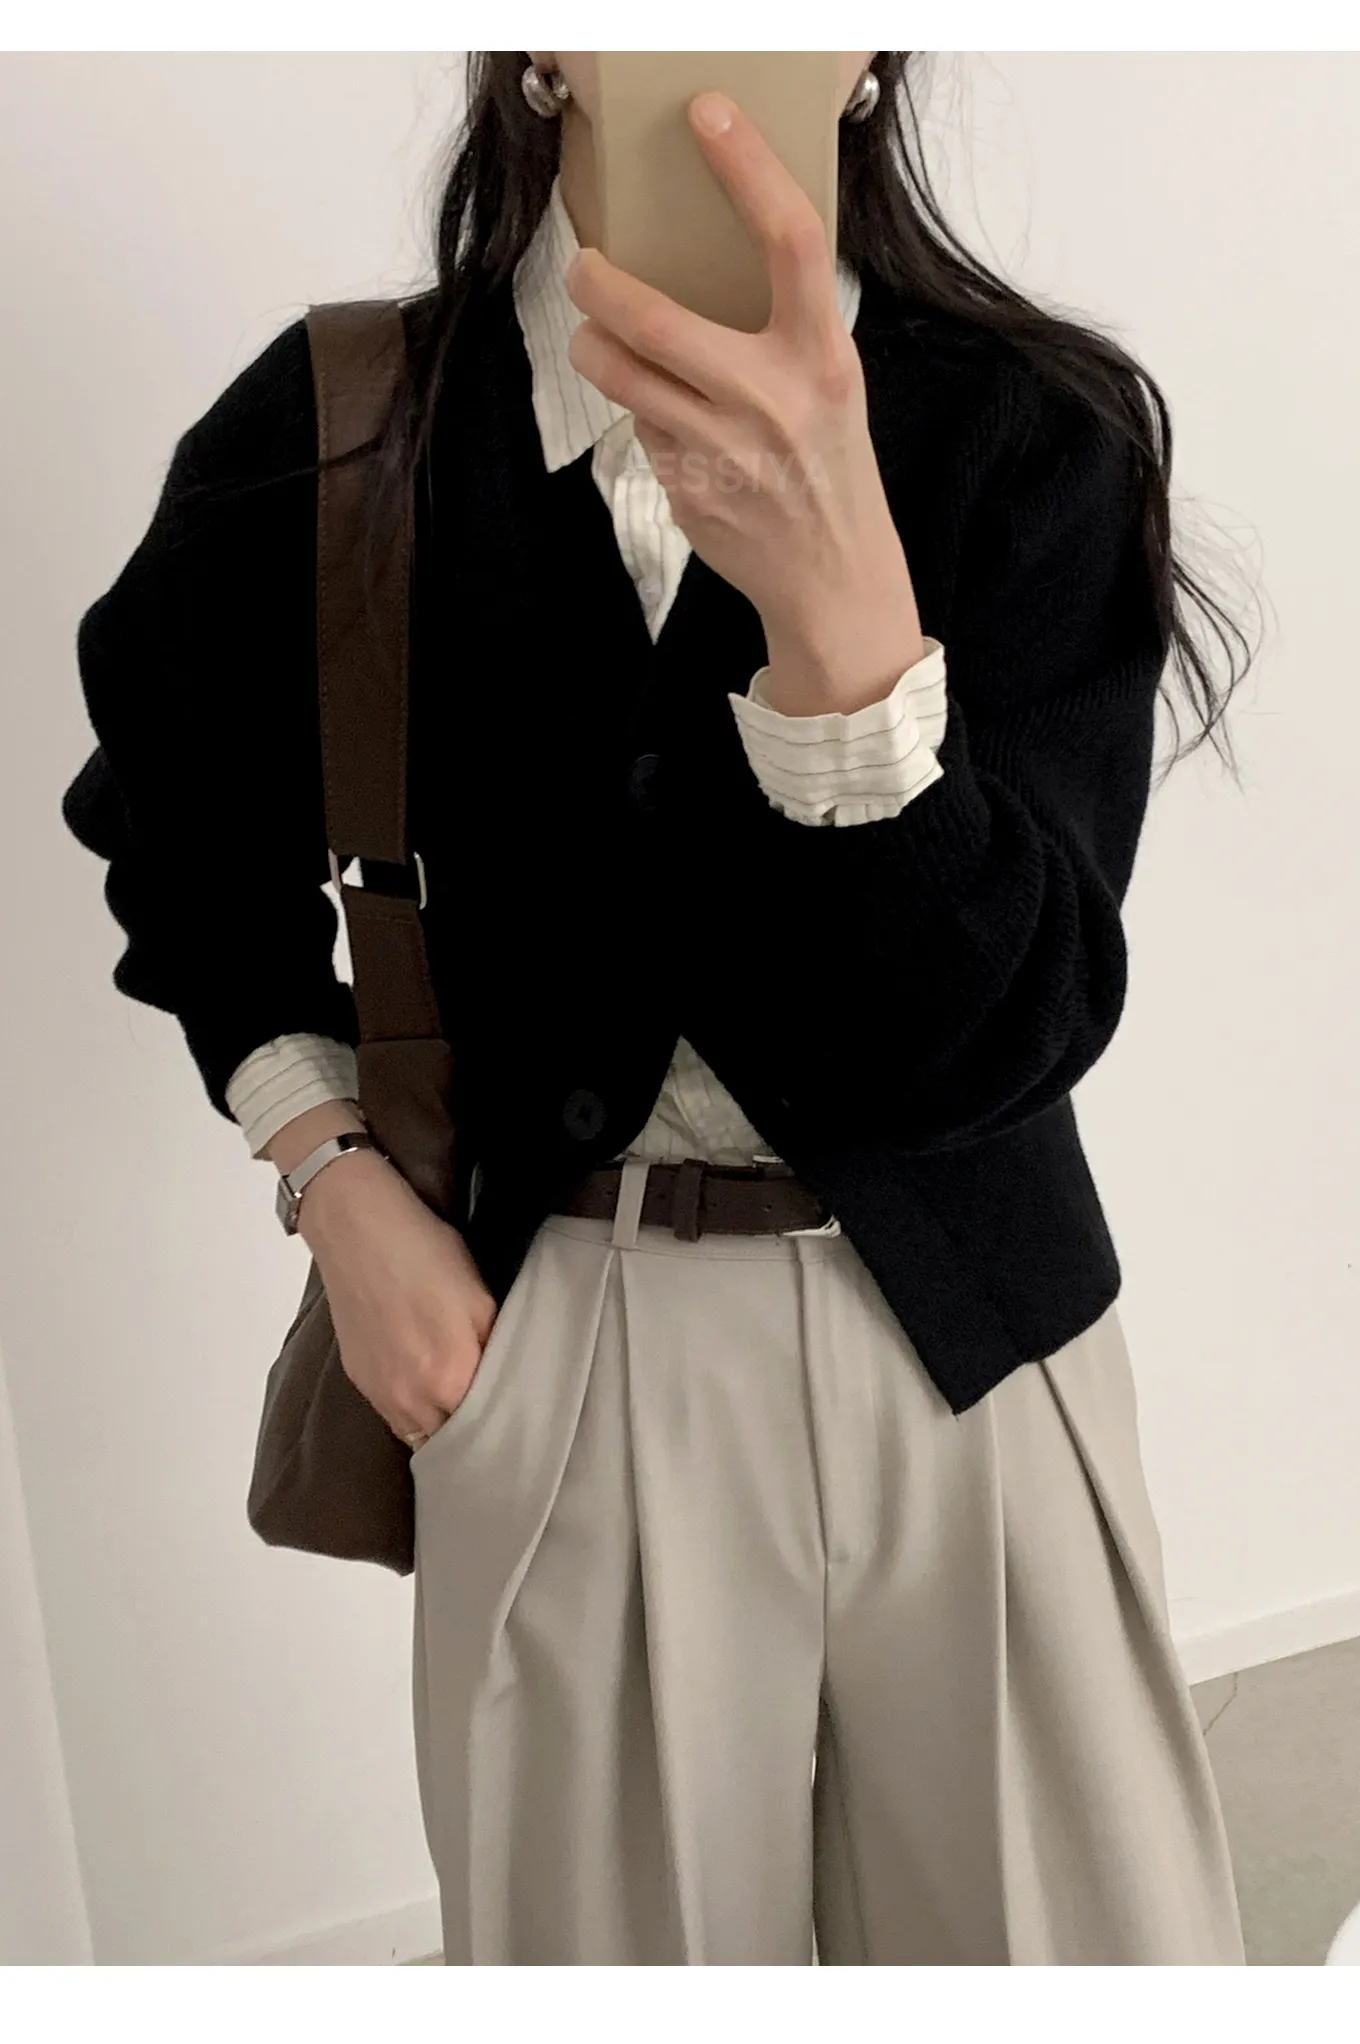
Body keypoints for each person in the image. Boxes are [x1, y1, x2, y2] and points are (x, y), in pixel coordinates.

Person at [60, 50, 1254, 1964]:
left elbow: (1010, 1029)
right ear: (538, 40)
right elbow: (173, 829)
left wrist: (845, 630)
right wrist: (334, 1180)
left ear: (870, 50)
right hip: (561, 1348)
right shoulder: (350, 424)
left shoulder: (1028, 430)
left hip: (975, 1355)